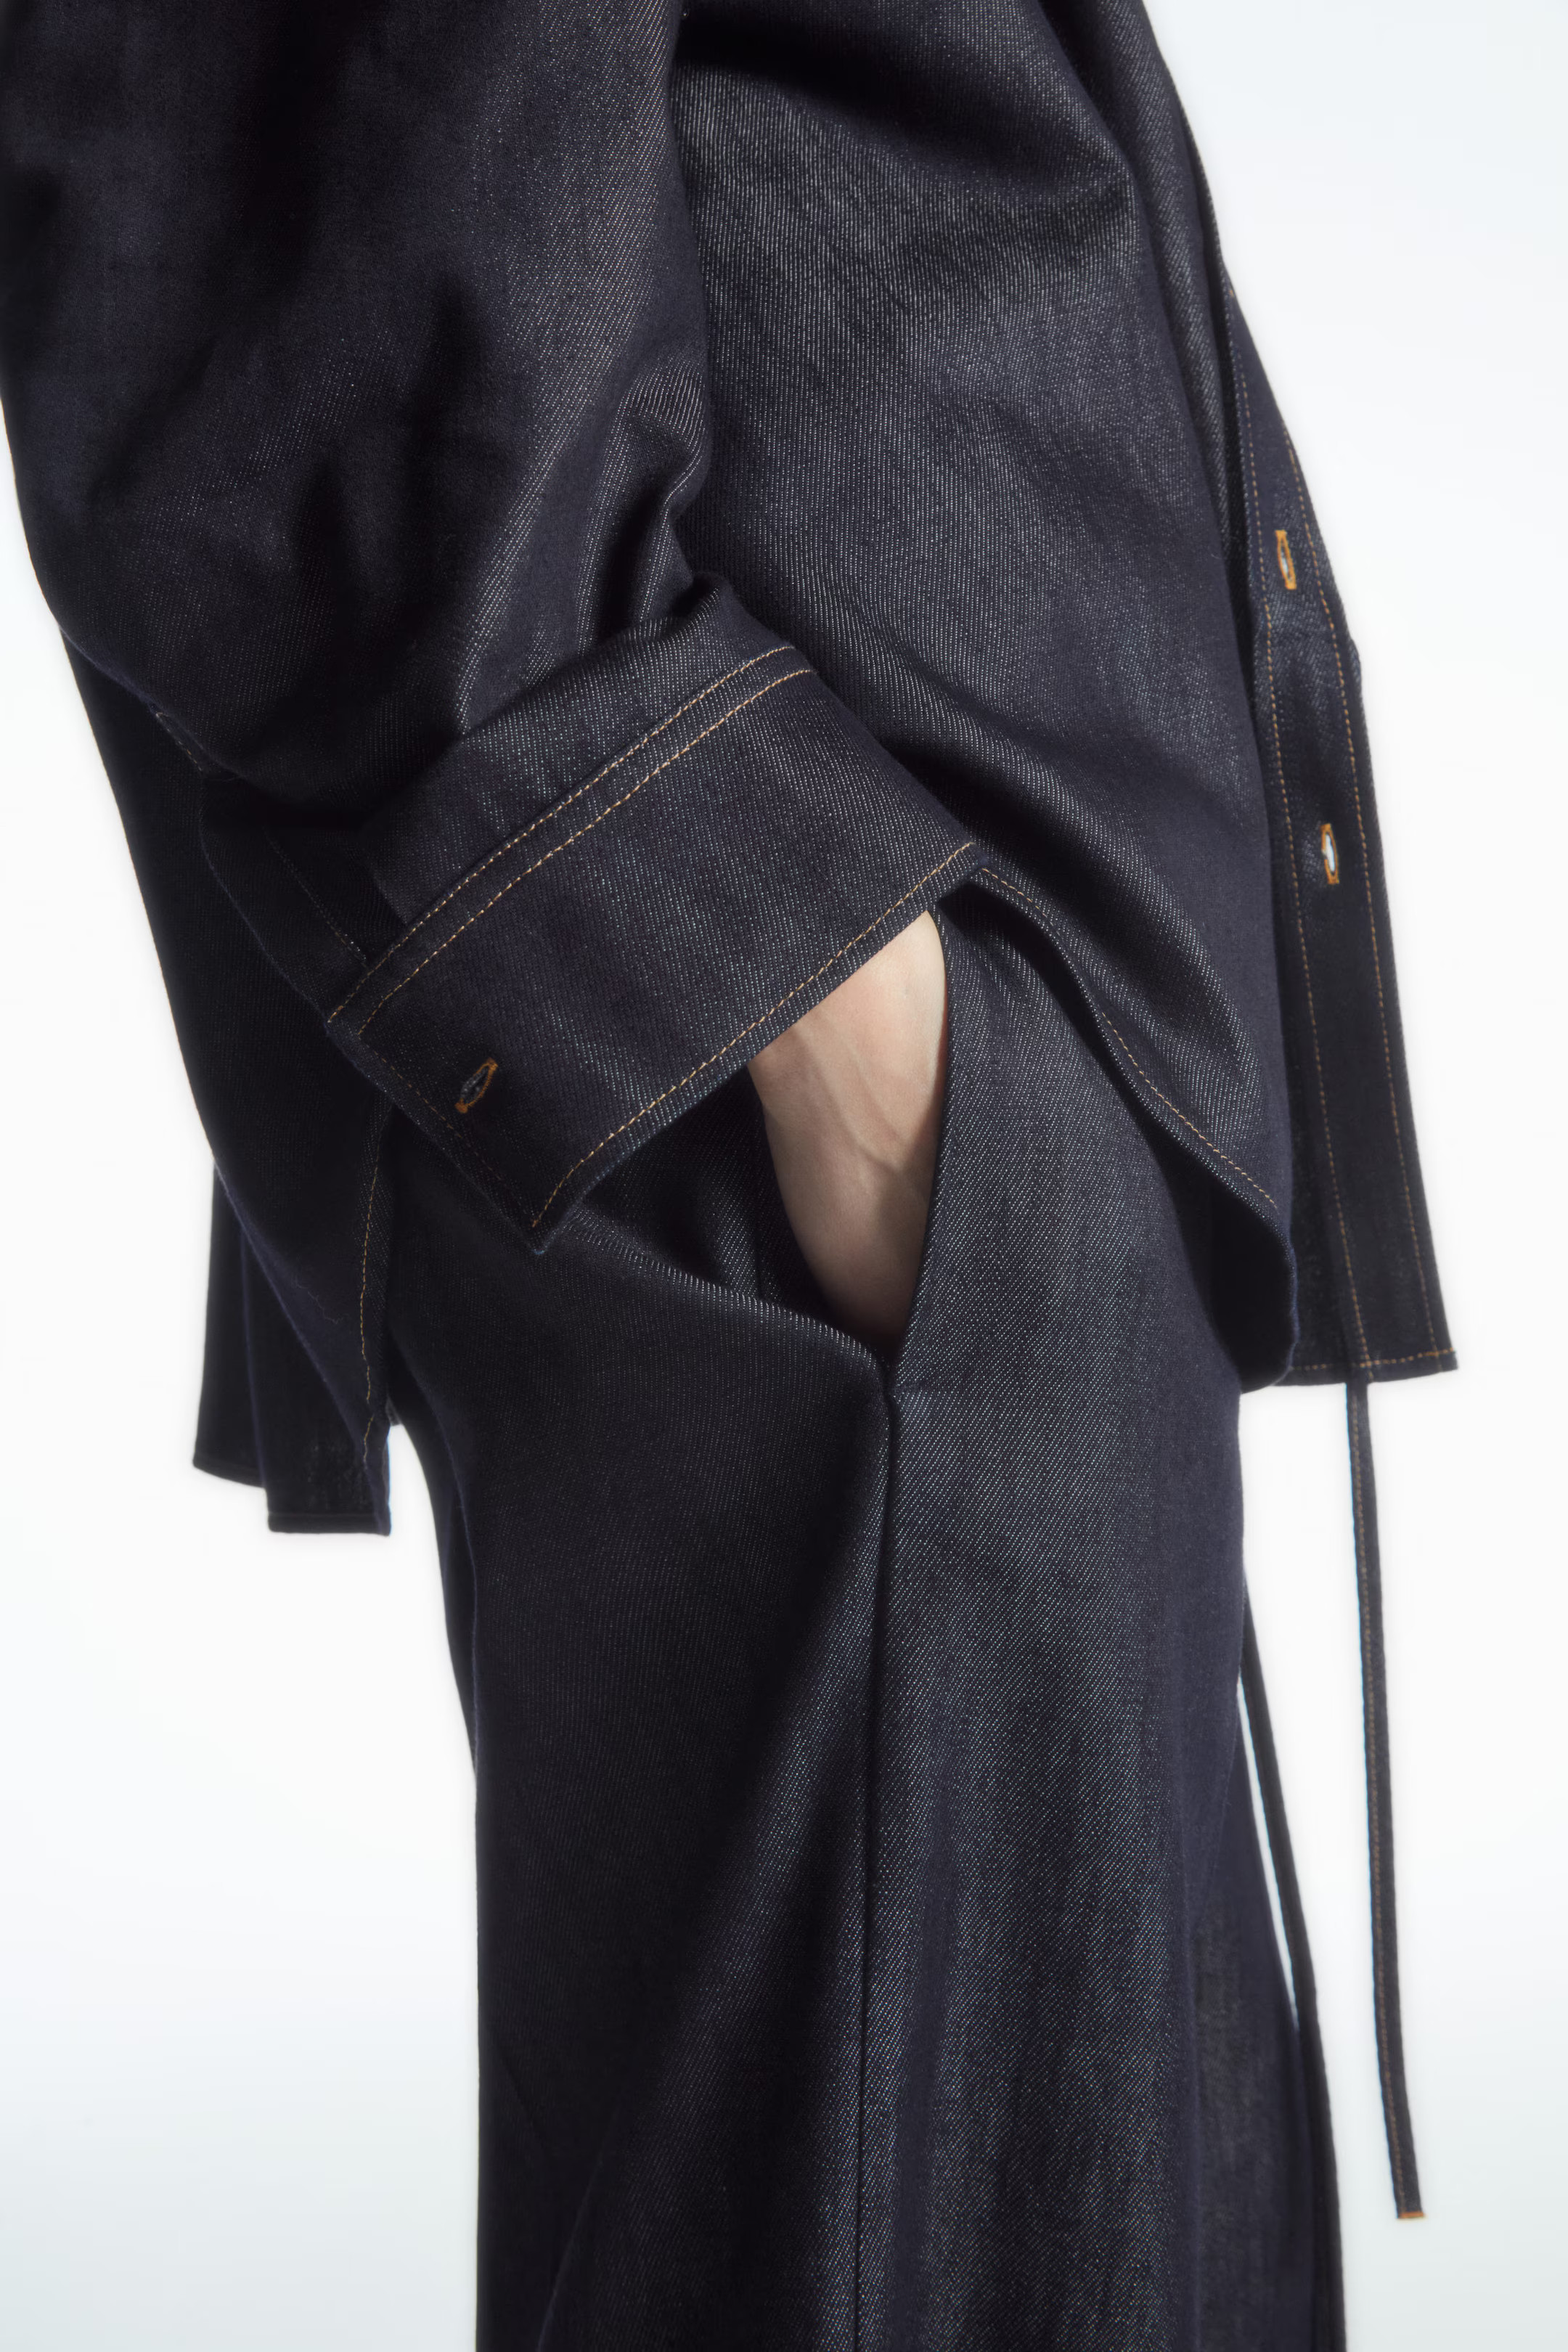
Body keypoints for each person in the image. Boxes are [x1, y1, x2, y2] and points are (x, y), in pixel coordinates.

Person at [0, 1, 1453, 2344]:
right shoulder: (846, 1126)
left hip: (954, 1105)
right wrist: (831, 1028)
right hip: (800, 1128)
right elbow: (256, 186)